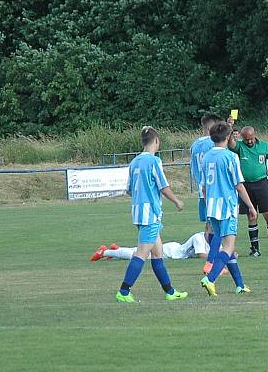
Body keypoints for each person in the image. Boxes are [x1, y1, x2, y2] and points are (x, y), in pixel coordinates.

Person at [115, 126, 187, 303]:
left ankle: (169, 291)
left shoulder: (135, 162)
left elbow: (129, 190)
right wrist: (177, 201)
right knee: (141, 253)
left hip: (138, 212)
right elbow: (163, 186)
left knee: (157, 254)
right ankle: (123, 291)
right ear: (156, 141)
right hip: (150, 214)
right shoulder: (154, 162)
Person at [199, 121, 258, 296]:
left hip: (212, 207)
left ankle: (240, 285)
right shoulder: (230, 157)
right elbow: (239, 185)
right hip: (227, 206)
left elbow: (203, 187)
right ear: (228, 137)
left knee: (226, 246)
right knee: (229, 246)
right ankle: (210, 279)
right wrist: (250, 207)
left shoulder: (206, 156)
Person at [229, 125, 268, 256]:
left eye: (251, 138)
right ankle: (255, 249)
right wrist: (229, 126)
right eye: (247, 139)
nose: (250, 142)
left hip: (262, 183)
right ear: (242, 138)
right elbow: (230, 143)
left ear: (255, 135)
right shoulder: (240, 147)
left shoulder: (264, 146)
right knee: (252, 216)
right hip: (246, 186)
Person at [190, 113, 223, 275]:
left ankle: (214, 257)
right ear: (211, 128)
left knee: (209, 226)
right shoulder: (212, 145)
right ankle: (214, 260)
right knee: (216, 227)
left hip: (201, 190)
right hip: (213, 192)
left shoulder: (194, 146)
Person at [91, 232, 211, 261]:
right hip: (170, 252)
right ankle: (104, 252)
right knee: (139, 255)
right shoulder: (198, 237)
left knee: (139, 251)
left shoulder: (214, 240)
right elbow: (201, 255)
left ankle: (117, 249)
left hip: (174, 247)